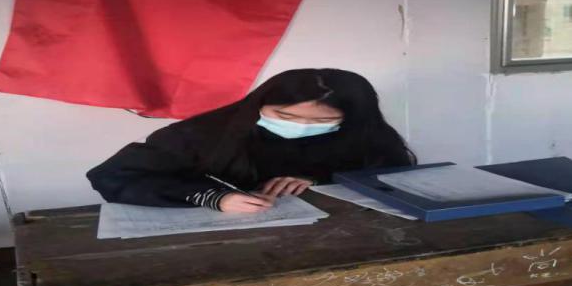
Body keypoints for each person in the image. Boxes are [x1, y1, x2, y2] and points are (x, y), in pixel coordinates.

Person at [87, 68, 417, 213]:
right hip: (218, 240)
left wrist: (323, 182)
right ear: (258, 104)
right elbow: (113, 176)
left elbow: (395, 175)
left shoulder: (362, 131)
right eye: (284, 115)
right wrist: (213, 197)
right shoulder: (203, 134)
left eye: (322, 121)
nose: (302, 126)